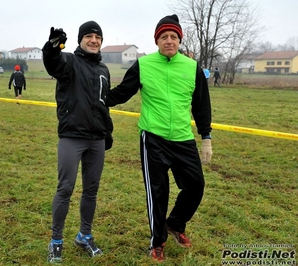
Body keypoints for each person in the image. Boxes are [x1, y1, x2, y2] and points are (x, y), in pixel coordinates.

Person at [105, 14, 212, 262]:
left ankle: (175, 223)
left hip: (183, 139)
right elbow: (122, 93)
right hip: (153, 138)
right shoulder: (144, 65)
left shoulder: (191, 67)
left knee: (196, 186)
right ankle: (158, 242)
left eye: (173, 37)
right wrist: (97, 100)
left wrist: (205, 137)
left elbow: (201, 105)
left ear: (179, 40)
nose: (169, 41)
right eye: (164, 37)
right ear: (157, 41)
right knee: (158, 193)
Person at [42, 21, 112, 263]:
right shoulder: (69, 62)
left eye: (98, 37)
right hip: (72, 137)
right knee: (65, 189)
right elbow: (53, 63)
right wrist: (52, 47)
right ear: (81, 39)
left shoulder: (104, 69)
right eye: (89, 36)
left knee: (91, 191)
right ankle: (56, 241)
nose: (94, 40)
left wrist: (107, 132)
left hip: (97, 139)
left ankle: (84, 236)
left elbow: (104, 104)